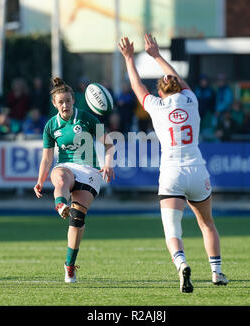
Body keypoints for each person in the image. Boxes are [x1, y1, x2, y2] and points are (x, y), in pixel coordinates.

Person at [118, 34, 228, 293]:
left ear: (160, 91)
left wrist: (129, 58)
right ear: (178, 87)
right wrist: (156, 55)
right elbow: (176, 78)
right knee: (207, 223)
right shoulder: (191, 100)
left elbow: (136, 86)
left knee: (172, 229)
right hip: (197, 169)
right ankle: (217, 272)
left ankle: (182, 264)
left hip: (171, 172)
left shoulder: (156, 106)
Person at [34, 77, 115, 283]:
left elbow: (109, 145)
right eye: (61, 102)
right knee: (60, 175)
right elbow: (47, 158)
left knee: (78, 218)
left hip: (89, 170)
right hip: (66, 166)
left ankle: (69, 265)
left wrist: (108, 163)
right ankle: (60, 204)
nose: (65, 105)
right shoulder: (51, 126)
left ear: (73, 101)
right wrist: (40, 180)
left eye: (68, 101)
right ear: (54, 104)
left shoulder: (87, 119)